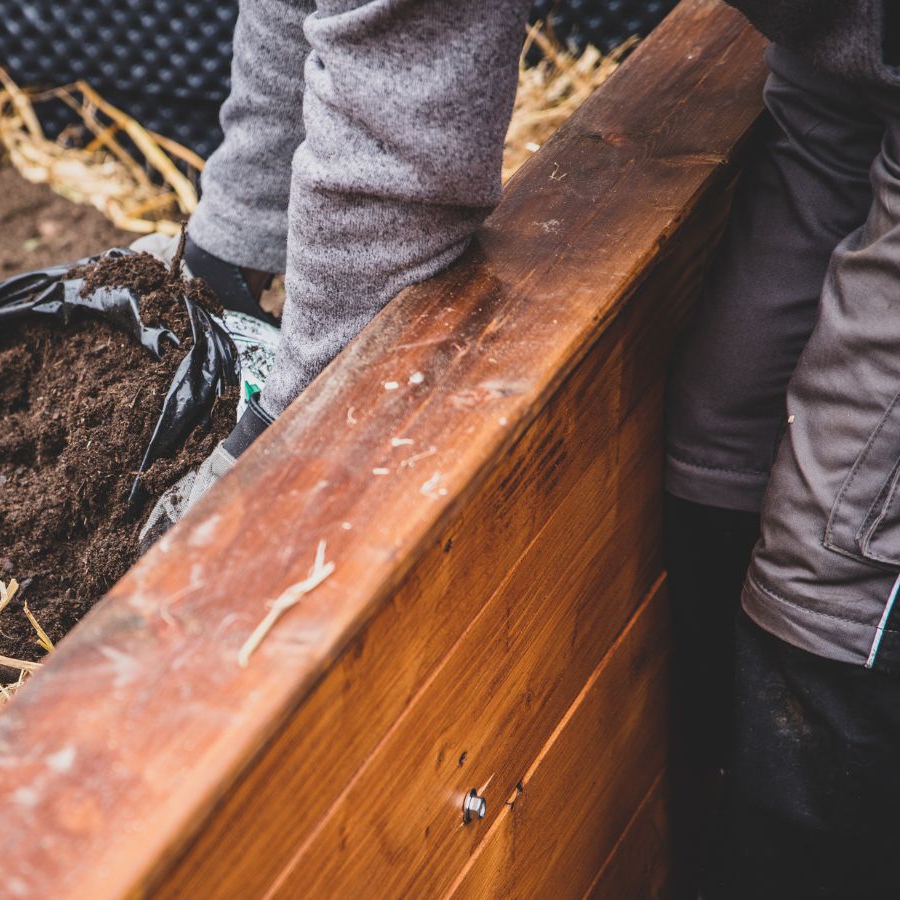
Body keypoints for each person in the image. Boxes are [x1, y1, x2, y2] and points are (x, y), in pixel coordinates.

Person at [140, 1, 900, 896]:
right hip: (843, 60)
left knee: (843, 549)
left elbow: (399, 134)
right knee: (725, 430)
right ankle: (703, 832)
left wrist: (279, 448)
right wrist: (230, 237)